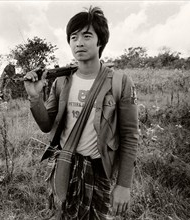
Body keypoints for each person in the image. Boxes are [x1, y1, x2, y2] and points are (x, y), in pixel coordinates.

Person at [23, 6, 139, 220]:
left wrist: (124, 184)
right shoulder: (61, 81)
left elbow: (130, 136)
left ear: (100, 41)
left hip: (98, 170)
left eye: (87, 36)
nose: (79, 42)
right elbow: (46, 125)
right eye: (73, 37)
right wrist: (34, 97)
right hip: (64, 165)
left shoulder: (120, 82)